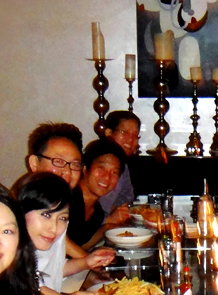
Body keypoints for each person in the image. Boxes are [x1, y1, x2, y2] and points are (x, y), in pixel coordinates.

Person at [3, 172, 110, 295]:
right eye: (45, 214)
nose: (53, 227)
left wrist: (86, 262)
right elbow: (23, 286)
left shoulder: (34, 246)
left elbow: (48, 274)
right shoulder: (2, 253)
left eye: (62, 218)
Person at [25, 122, 113, 264]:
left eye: (74, 164)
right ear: (34, 163)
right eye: (58, 161)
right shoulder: (24, 201)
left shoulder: (66, 202)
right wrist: (91, 263)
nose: (67, 172)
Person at [66, 139, 129, 249]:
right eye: (101, 168)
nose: (107, 177)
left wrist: (106, 228)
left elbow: (80, 246)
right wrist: (85, 258)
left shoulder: (97, 212)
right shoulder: (68, 199)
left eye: (114, 172)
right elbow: (60, 245)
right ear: (85, 168)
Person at [100, 111, 141, 215]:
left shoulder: (123, 164)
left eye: (135, 135)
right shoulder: (98, 160)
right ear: (109, 133)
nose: (130, 139)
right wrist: (114, 210)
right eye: (124, 132)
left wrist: (119, 209)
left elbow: (128, 196)